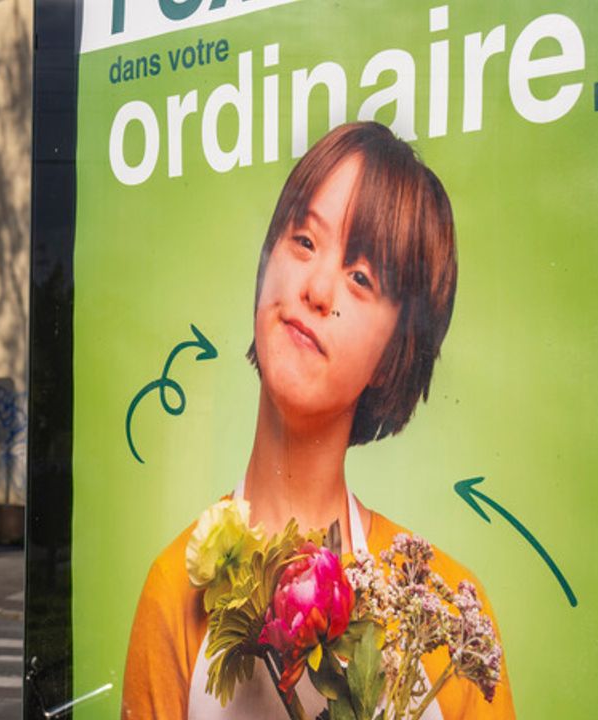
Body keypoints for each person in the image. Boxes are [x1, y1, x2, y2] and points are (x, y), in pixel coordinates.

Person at [121, 122, 515, 718]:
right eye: (304, 241)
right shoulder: (174, 591)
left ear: (394, 356)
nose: (318, 287)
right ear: (265, 266)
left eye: (362, 278)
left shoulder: (447, 621)